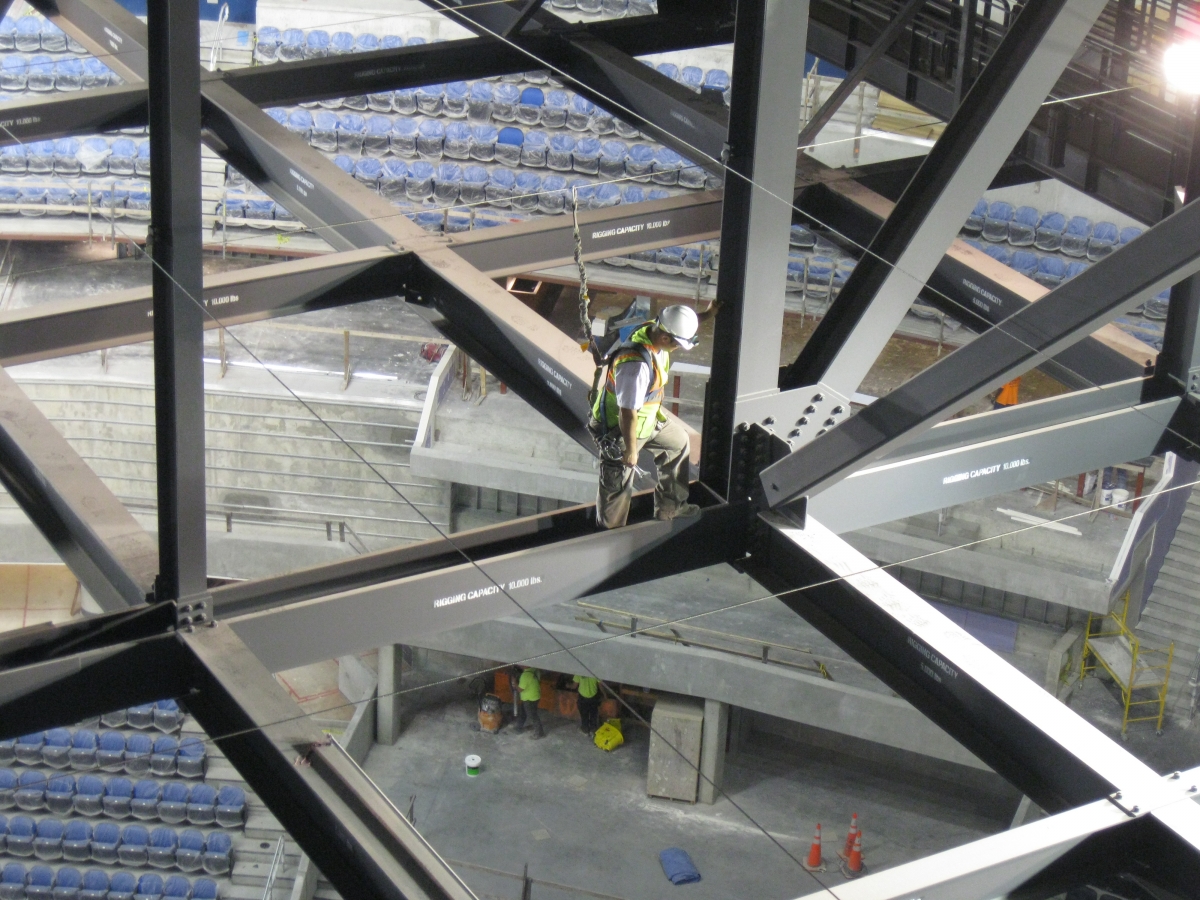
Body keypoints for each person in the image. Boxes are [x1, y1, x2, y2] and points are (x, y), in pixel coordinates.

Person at [590, 305, 702, 529]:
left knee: (678, 443)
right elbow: (627, 412)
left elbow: (679, 324)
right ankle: (610, 536)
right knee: (617, 484)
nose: (677, 349)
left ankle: (670, 508)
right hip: (620, 430)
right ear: (665, 337)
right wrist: (631, 450)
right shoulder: (635, 365)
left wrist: (708, 314)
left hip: (647, 421)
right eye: (677, 344)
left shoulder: (655, 329)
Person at [513, 666, 544, 739]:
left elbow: (520, 689)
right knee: (524, 712)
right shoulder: (536, 670)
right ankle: (519, 727)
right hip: (535, 696)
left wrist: (515, 683)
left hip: (529, 699)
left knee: (532, 716)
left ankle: (539, 733)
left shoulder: (525, 675)